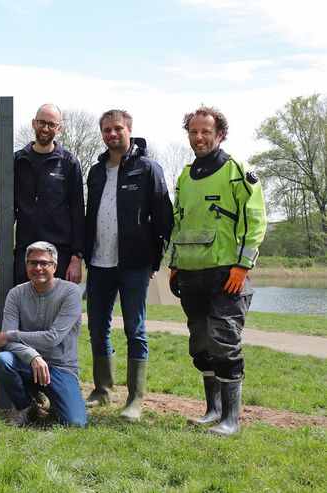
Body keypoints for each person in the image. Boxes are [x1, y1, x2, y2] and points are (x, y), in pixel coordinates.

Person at [169, 106, 266, 436]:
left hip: (227, 273)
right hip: (191, 273)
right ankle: (213, 410)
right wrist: (174, 264)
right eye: (194, 132)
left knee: (224, 342)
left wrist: (243, 265)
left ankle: (232, 419)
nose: (199, 138)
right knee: (201, 345)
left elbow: (256, 221)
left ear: (219, 134)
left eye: (206, 132)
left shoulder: (236, 171)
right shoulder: (184, 176)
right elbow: (178, 222)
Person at [83, 110, 174, 422]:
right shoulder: (95, 172)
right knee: (97, 327)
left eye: (117, 128)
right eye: (106, 130)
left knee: (135, 329)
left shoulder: (148, 169)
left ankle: (135, 398)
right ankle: (103, 389)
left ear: (129, 130)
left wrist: (154, 259)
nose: (112, 134)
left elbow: (164, 217)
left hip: (134, 264)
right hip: (98, 262)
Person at [0, 241, 87, 427]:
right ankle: (26, 407)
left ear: (55, 267)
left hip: (61, 367)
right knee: (1, 360)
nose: (38, 268)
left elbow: (52, 338)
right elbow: (6, 344)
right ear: (26, 265)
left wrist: (11, 334)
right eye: (32, 263)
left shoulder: (71, 292)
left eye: (45, 263)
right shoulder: (15, 294)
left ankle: (58, 398)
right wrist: (32, 356)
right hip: (26, 363)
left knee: (76, 423)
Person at [13, 103, 85, 285]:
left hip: (59, 253)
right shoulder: (17, 161)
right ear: (33, 123)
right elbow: (7, 209)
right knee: (23, 311)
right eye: (41, 123)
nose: (45, 129)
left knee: (58, 311)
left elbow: (77, 212)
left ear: (59, 128)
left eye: (51, 124)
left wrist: (77, 258)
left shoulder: (69, 163)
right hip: (25, 252)